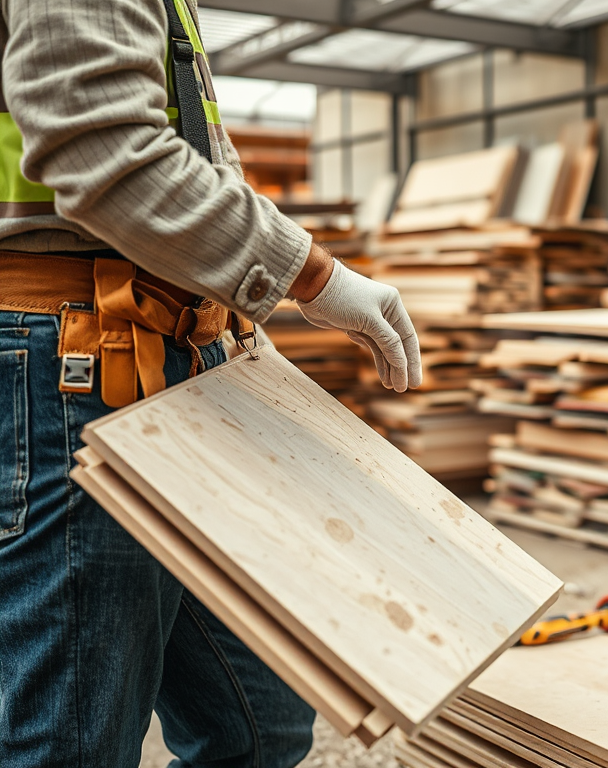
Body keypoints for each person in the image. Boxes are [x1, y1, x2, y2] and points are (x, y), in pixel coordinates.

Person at [0, 1, 421, 766]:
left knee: (259, 726)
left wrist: (234, 331)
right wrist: (310, 273)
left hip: (178, 362)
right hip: (73, 364)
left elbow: (188, 157)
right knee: (72, 743)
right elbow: (101, 146)